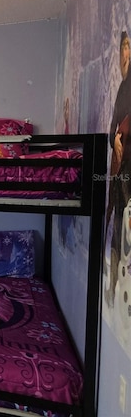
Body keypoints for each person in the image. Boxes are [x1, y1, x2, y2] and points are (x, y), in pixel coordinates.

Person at [106, 31, 131, 306]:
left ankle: (117, 287)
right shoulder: (123, 89)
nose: (125, 53)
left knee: (123, 224)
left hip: (127, 167)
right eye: (122, 47)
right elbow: (112, 128)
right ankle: (113, 286)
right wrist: (114, 139)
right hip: (119, 168)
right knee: (116, 225)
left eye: (128, 47)